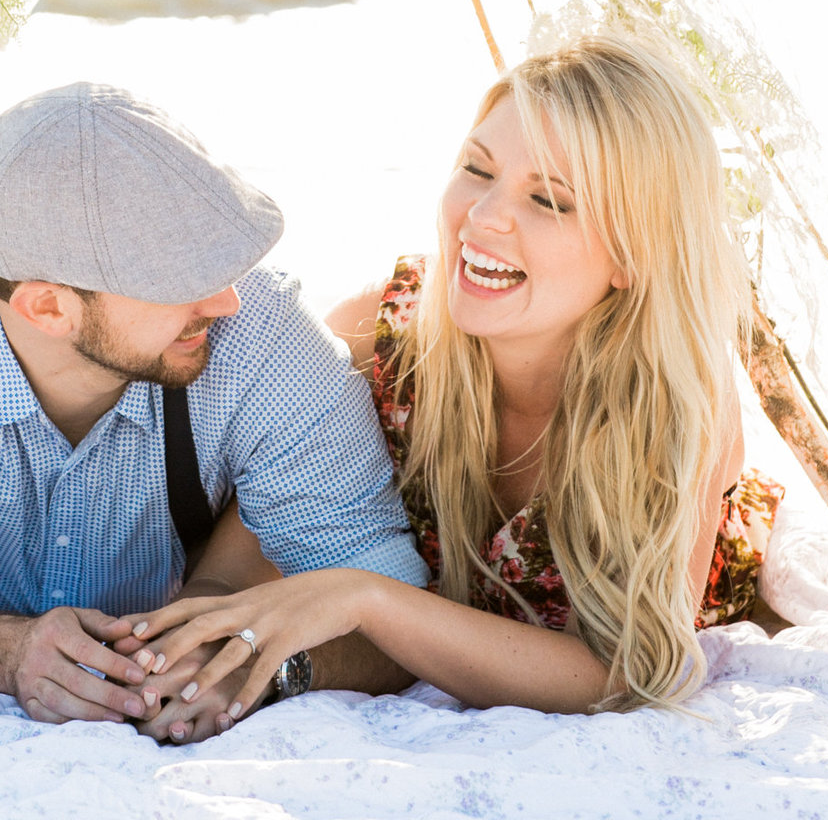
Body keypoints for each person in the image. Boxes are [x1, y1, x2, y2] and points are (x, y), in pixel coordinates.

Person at [122, 37, 784, 716]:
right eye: (477, 167)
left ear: (634, 255)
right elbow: (255, 539)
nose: (485, 216)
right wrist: (193, 641)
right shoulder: (378, 341)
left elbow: (626, 672)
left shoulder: (673, 403)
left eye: (550, 201)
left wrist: (368, 599)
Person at [0, 83, 428, 741]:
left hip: (203, 567)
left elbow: (396, 615)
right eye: (179, 278)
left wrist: (265, 663)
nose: (225, 300)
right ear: (48, 308)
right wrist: (0, 652)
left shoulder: (267, 333)